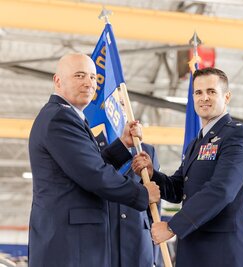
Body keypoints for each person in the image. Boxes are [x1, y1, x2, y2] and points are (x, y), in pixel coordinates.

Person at [28, 53, 160, 267]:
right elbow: (93, 174)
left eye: (92, 77)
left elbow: (88, 164)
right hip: (70, 244)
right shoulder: (60, 119)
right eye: (79, 75)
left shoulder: (67, 117)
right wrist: (142, 194)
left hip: (73, 242)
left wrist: (123, 145)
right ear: (58, 81)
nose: (89, 83)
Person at [133, 67, 243, 267]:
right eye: (198, 92)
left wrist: (173, 227)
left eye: (211, 91)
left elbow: (221, 190)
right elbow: (179, 189)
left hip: (223, 253)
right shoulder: (196, 143)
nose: (204, 98)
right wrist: (152, 174)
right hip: (194, 249)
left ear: (226, 97)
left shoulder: (237, 135)